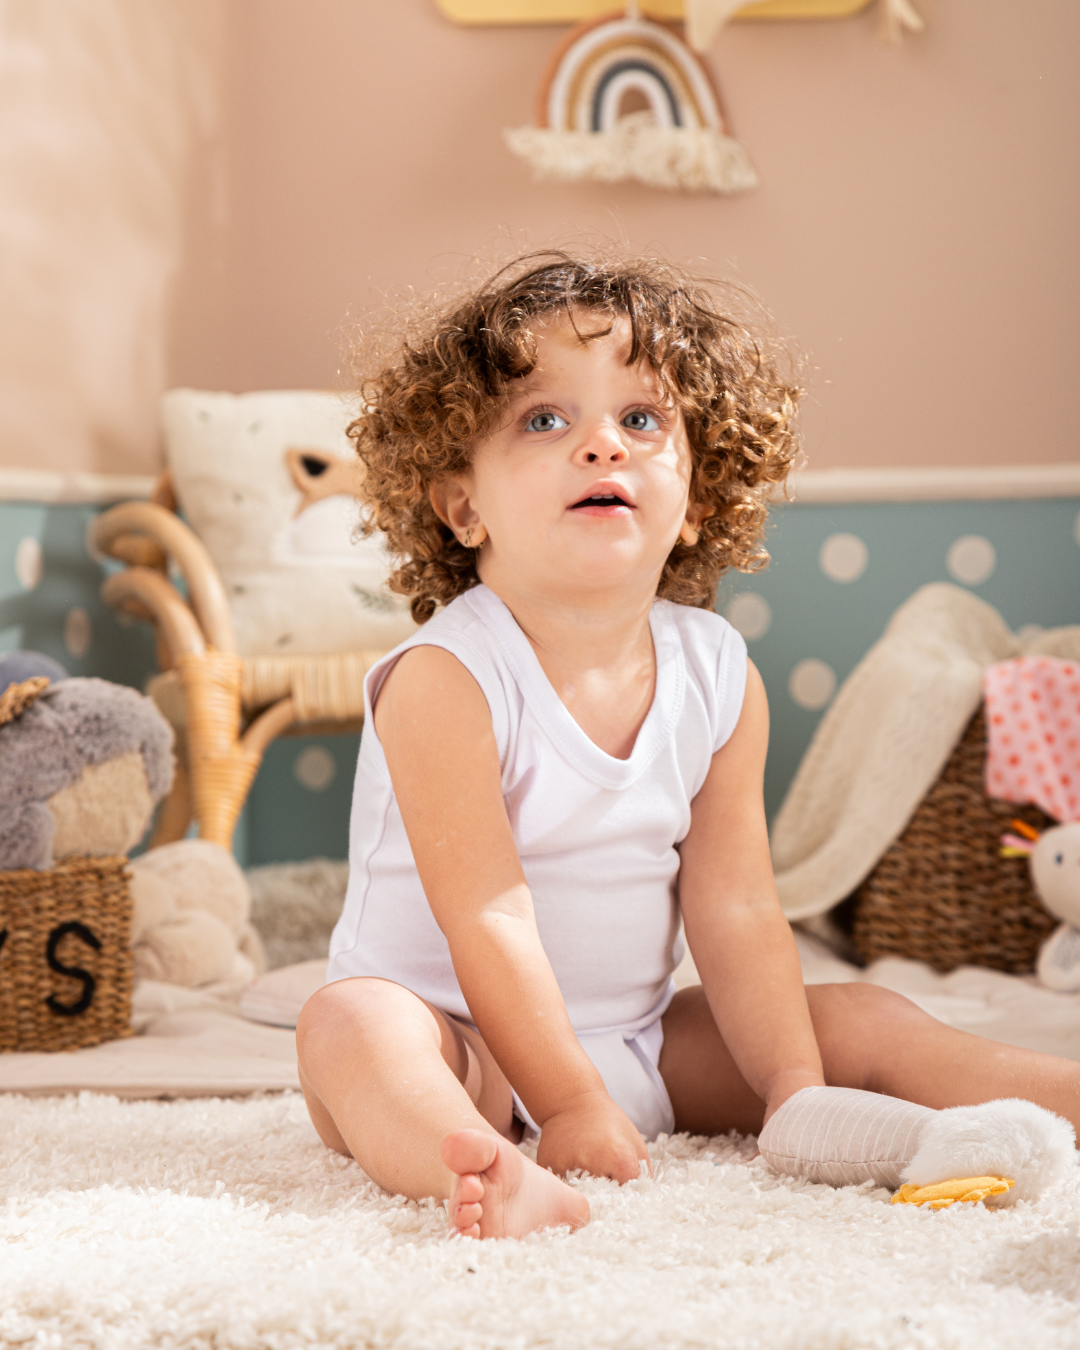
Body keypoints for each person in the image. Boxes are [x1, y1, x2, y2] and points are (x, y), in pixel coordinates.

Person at [296, 253, 1080, 1239]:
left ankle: (1059, 1092)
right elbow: (485, 916)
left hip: (642, 1043)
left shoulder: (717, 674)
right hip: (463, 1047)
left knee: (867, 1022)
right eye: (546, 420)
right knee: (350, 1029)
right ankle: (481, 1168)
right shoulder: (448, 678)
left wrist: (793, 1091)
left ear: (699, 493)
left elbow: (739, 904)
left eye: (642, 419)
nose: (602, 447)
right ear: (463, 506)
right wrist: (571, 1106)